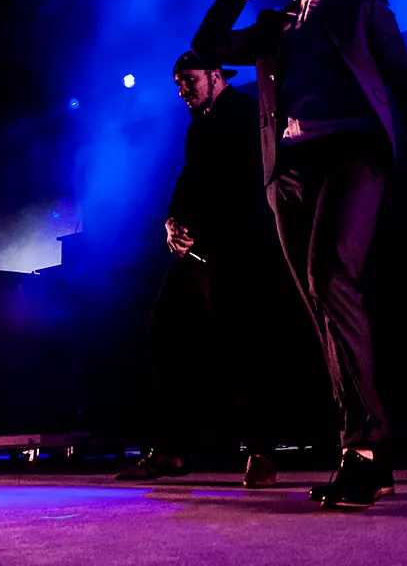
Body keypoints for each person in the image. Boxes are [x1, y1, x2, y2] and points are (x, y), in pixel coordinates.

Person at [191, 0, 407, 508]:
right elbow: (206, 49)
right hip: (290, 171)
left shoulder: (361, 5)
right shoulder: (274, 24)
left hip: (353, 152)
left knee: (333, 276)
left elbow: (404, 76)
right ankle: (365, 459)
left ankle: (367, 446)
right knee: (321, 302)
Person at [116, 51, 293, 487]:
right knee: (164, 333)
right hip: (197, 255)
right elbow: (187, 180)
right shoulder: (198, 127)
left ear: (216, 75)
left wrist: (208, 228)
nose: (183, 90)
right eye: (178, 83)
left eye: (189, 80)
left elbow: (252, 184)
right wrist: (172, 223)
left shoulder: (247, 113)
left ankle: (262, 453)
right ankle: (171, 450)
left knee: (244, 348)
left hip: (238, 251)